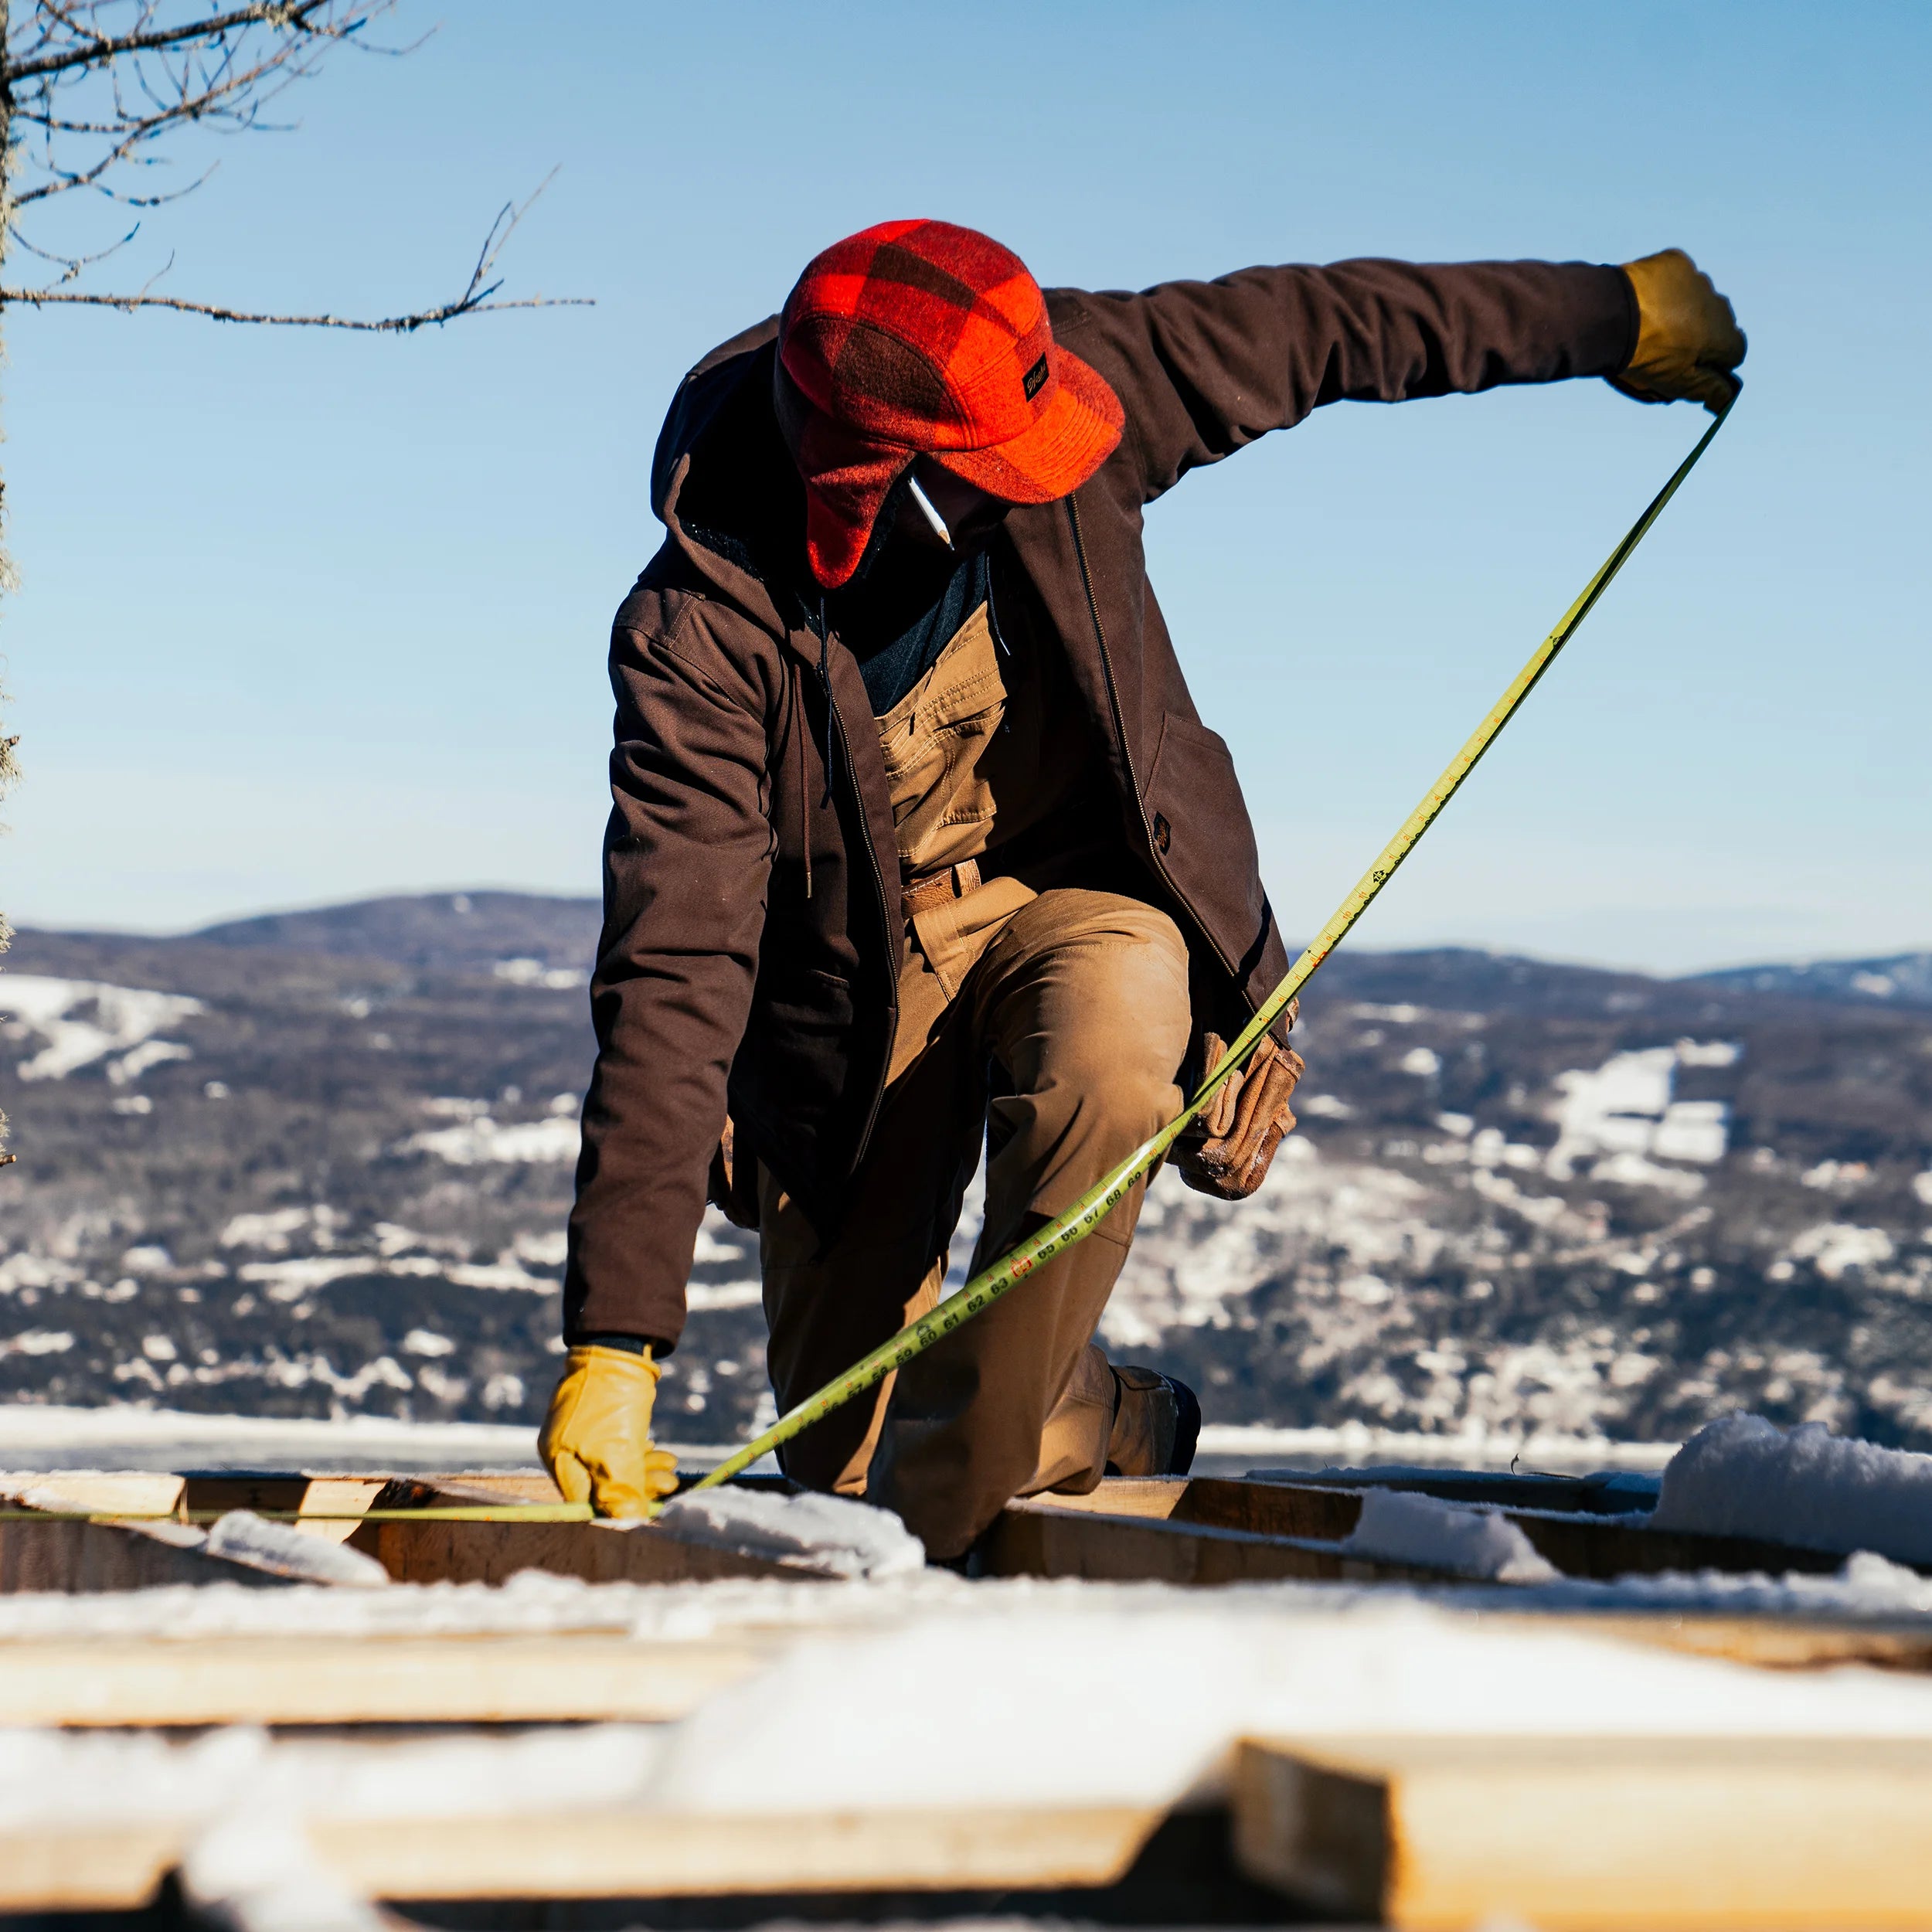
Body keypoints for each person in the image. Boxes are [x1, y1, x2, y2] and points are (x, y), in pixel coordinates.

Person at [538, 222, 1744, 1560]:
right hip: (850, 992)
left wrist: (1615, 313)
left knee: (1112, 1032)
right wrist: (617, 1338)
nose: (1041, 473)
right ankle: (1079, 1413)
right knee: (845, 1453)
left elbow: (1334, 324)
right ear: (877, 488)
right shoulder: (700, 634)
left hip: (1073, 904)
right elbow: (675, 961)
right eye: (995, 476)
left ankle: (905, 1591)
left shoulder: (1058, 374)